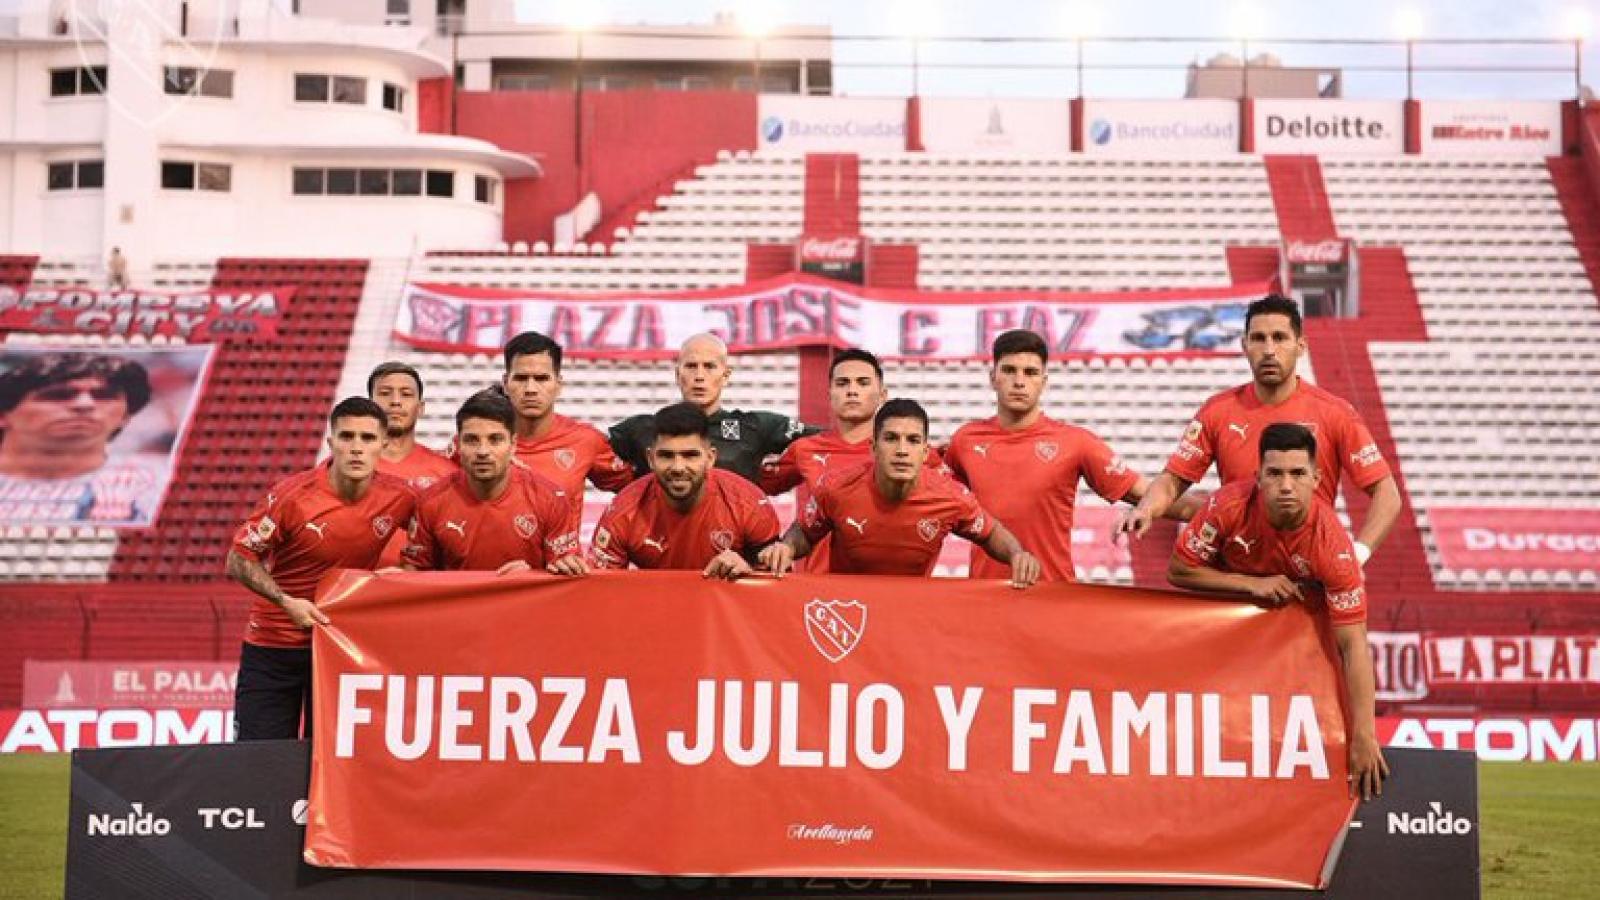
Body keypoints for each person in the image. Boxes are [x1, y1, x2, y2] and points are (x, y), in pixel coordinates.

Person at [1167, 423, 1387, 801]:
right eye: (1275, 474)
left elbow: (1353, 645)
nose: (1286, 486)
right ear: (1259, 477)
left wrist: (1365, 734)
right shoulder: (1226, 506)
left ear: (1317, 478)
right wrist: (1252, 584)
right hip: (1219, 632)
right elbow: (1179, 570)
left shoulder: (1332, 548)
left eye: (1298, 474)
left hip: (1279, 650)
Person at [1116, 294, 1400, 567]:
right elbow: (1172, 482)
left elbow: (1386, 492)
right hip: (1238, 573)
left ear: (1301, 345)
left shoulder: (1335, 414)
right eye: (1258, 338)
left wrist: (1358, 553)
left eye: (1279, 338)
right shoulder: (1217, 411)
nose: (1268, 350)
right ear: (1244, 345)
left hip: (1310, 575)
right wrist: (1146, 509)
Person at [226, 397, 418, 741]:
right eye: (347, 437)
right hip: (274, 645)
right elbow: (239, 559)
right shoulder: (292, 496)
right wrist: (286, 602)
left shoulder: (401, 498)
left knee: (330, 759)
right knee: (259, 760)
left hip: (339, 647)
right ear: (331, 442)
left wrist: (403, 573)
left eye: (368, 438)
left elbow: (435, 543)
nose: (356, 448)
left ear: (384, 445)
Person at [946, 330, 1203, 583]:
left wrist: (1217, 514)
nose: (1019, 381)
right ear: (993, 378)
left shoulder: (1075, 442)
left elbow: (1149, 494)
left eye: (1031, 372)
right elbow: (932, 498)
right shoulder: (965, 441)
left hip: (1053, 596)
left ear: (1043, 381)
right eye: (1009, 370)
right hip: (985, 597)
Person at [759, 398, 1041, 586]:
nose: (902, 450)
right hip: (849, 614)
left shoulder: (950, 497)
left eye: (913, 440)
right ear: (873, 447)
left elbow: (991, 532)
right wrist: (787, 546)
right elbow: (805, 531)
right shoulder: (836, 488)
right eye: (891, 439)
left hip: (911, 616)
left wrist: (1017, 554)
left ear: (924, 451)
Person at [760, 348, 940, 572]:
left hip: (897, 587)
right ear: (830, 393)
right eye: (843, 383)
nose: (852, 391)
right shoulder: (805, 449)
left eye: (863, 383)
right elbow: (753, 488)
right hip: (821, 592)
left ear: (883, 395)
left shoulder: (917, 455)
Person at [404, 390, 585, 575]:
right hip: (460, 604)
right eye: (472, 440)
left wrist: (533, 577)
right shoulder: (431, 502)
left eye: (495, 440)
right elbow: (415, 575)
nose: (483, 451)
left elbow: (567, 578)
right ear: (458, 445)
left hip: (528, 604)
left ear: (513, 444)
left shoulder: (550, 499)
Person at [590, 403, 779, 579]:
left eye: (690, 455)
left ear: (710, 457)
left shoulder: (749, 504)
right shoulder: (623, 512)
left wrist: (749, 573)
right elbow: (599, 590)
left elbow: (776, 586)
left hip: (724, 612)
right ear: (650, 458)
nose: (678, 467)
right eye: (666, 455)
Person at [610, 333, 816, 484]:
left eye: (709, 367)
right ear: (677, 374)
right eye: (691, 366)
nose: (699, 376)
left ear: (725, 375)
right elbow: (587, 449)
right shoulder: (641, 429)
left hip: (733, 540)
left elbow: (831, 443)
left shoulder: (756, 427)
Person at [0, 352, 166, 525]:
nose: (85, 405)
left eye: (104, 396)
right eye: (58, 395)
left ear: (125, 416)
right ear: (3, 414)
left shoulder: (163, 482)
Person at [492, 331, 633, 515]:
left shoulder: (586, 440)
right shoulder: (479, 441)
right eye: (521, 378)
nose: (530, 389)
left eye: (542, 379)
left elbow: (642, 489)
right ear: (505, 383)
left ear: (558, 385)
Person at [367, 361, 455, 565]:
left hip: (425, 589)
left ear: (421, 408)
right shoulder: (343, 467)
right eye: (385, 393)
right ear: (370, 405)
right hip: (360, 588)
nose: (395, 401)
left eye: (406, 394)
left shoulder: (447, 471)